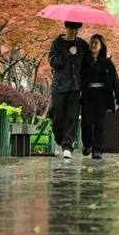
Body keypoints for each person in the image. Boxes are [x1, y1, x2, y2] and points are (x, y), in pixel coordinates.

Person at [49, 21, 91, 159]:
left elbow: (89, 62)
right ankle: (59, 141)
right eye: (71, 28)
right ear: (66, 27)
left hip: (75, 87)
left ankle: (68, 147)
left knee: (72, 117)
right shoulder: (57, 43)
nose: (73, 31)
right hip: (59, 86)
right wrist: (68, 53)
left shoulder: (82, 44)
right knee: (57, 117)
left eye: (76, 28)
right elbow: (53, 62)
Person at [80, 34, 119, 160]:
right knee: (86, 121)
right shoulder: (84, 60)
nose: (93, 45)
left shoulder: (107, 62)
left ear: (101, 46)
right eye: (92, 42)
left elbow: (114, 79)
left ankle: (97, 149)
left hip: (102, 96)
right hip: (88, 95)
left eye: (96, 43)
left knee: (100, 123)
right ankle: (88, 144)